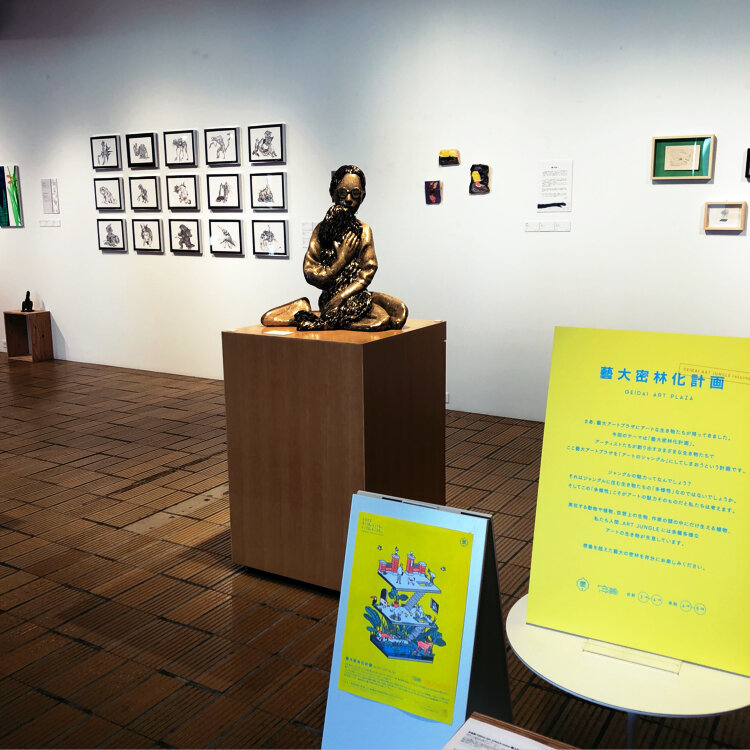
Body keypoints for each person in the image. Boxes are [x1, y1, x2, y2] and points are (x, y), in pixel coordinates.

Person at [261, 165, 408, 331]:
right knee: (380, 321)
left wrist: (343, 296)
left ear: (363, 197)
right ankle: (310, 314)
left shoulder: (364, 231)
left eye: (355, 193)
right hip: (331, 298)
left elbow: (368, 271)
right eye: (342, 193)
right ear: (332, 193)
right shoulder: (321, 231)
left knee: (399, 312)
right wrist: (340, 261)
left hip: (354, 294)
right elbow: (310, 271)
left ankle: (321, 317)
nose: (349, 199)